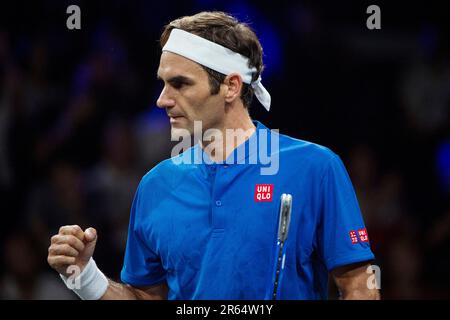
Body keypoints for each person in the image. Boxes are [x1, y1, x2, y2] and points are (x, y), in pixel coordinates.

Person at [47, 11, 380, 300]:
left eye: (180, 84)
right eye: (163, 83)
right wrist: (85, 276)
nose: (162, 100)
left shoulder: (316, 168)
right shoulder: (154, 186)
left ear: (231, 87)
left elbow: (359, 285)